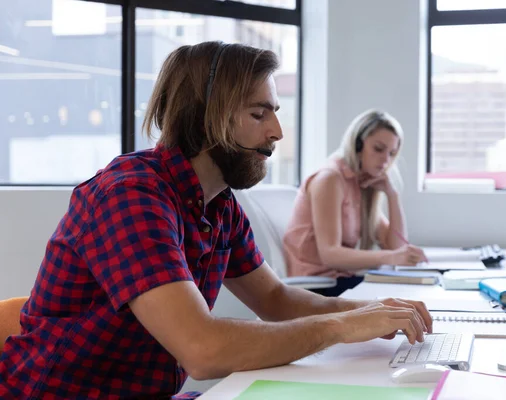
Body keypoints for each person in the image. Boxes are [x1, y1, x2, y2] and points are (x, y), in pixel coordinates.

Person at [0, 42, 432, 399]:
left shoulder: (219, 203)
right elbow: (202, 350)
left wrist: (374, 312)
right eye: (259, 114)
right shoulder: (130, 195)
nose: (278, 132)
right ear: (208, 117)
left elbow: (277, 301)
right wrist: (341, 325)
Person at [283, 109, 428, 297]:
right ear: (358, 145)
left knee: (407, 291)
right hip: (317, 287)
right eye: (378, 149)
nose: (386, 160)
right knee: (401, 296)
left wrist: (392, 195)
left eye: (392, 153)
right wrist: (392, 257)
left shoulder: (360, 183)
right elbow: (330, 254)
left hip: (339, 281)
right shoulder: (330, 179)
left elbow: (396, 247)